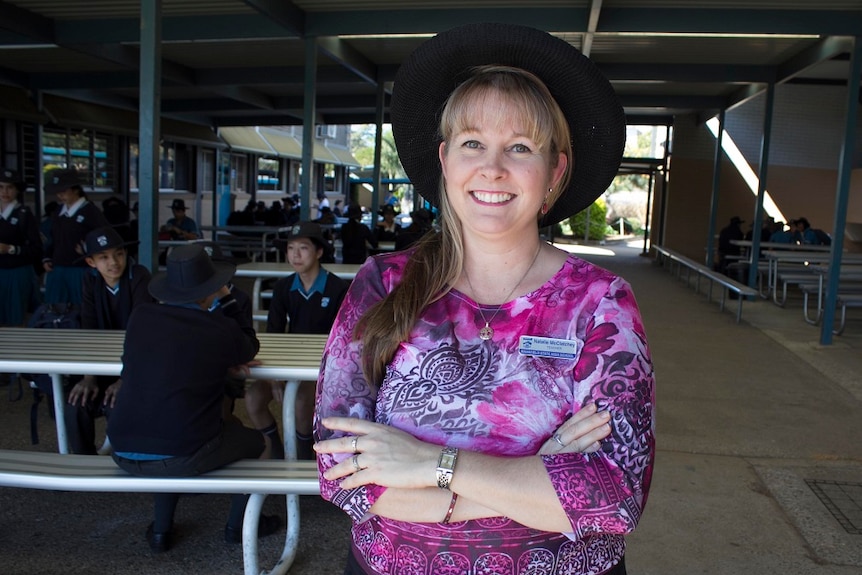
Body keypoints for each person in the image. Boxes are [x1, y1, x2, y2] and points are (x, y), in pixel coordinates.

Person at [313, 23, 654, 575]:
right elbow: (340, 475)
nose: (492, 168)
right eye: (474, 143)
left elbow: (613, 499)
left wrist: (433, 465)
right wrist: (536, 478)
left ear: (555, 172)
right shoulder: (384, 284)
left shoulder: (599, 302)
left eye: (520, 147)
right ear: (446, 160)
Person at [107, 244, 280, 552]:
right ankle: (238, 526)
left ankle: (161, 531)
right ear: (211, 289)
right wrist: (227, 299)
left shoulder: (141, 316)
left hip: (121, 448)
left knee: (167, 429)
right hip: (180, 453)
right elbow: (249, 345)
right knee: (258, 444)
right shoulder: (216, 328)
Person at [245, 222, 348, 460]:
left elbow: (341, 339)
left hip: (321, 367)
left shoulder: (337, 288)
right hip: (287, 361)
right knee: (252, 398)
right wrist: (273, 378)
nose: (295, 255)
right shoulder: (283, 287)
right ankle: (276, 453)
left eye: (303, 248)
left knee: (302, 402)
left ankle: (304, 458)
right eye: (291, 248)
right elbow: (273, 332)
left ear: (319, 252)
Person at [65, 226, 152, 454]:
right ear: (91, 263)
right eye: (103, 257)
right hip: (100, 361)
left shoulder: (139, 276)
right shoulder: (90, 281)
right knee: (77, 401)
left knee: (117, 402)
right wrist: (89, 376)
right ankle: (83, 460)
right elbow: (89, 327)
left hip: (135, 364)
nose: (113, 262)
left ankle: (119, 457)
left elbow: (143, 332)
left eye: (119, 254)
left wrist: (125, 379)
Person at [42, 168, 110, 305]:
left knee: (81, 306)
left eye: (64, 191)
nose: (60, 195)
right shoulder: (58, 211)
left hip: (81, 269)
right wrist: (47, 257)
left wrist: (88, 250)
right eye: (58, 192)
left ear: (75, 190)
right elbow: (52, 237)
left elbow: (104, 237)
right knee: (55, 307)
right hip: (58, 267)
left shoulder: (90, 211)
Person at [0, 168, 42, 326]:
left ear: (17, 190)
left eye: (9, 187)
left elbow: (36, 248)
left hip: (17, 272)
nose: (5, 192)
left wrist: (10, 249)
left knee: (15, 317)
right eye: (1, 187)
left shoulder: (24, 214)